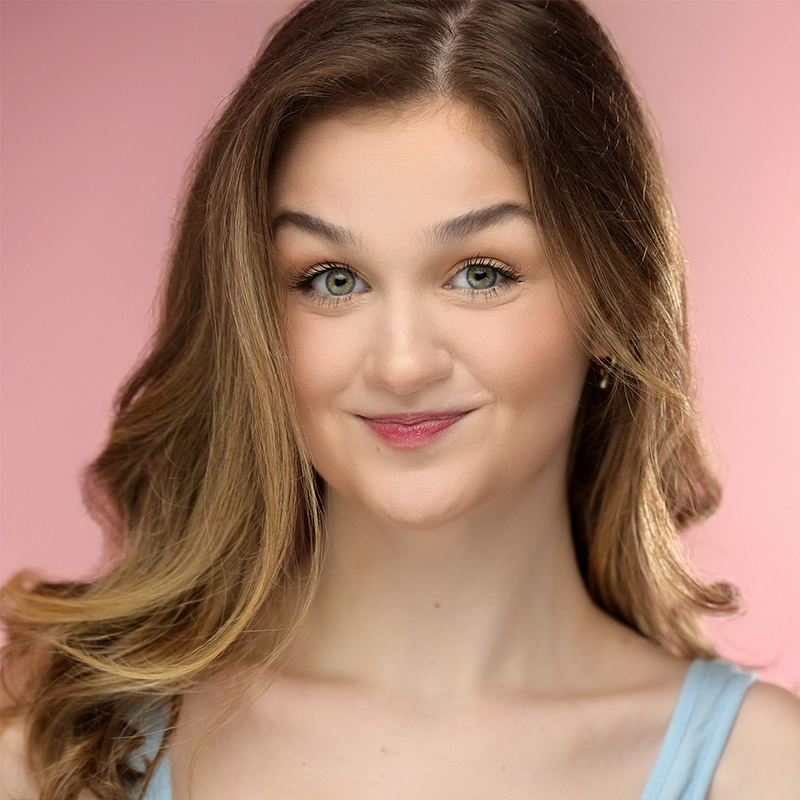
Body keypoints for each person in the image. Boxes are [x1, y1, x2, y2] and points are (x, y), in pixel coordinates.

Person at [2, 1, 799, 798]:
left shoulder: (765, 770)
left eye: (481, 272)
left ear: (612, 298)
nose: (403, 363)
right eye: (332, 280)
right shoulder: (54, 742)